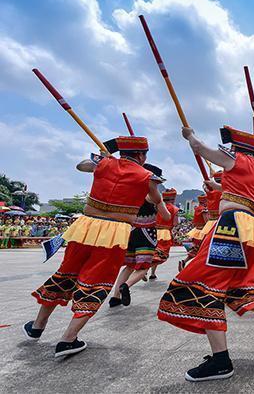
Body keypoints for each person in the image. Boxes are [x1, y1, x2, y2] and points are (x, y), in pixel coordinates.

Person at [157, 125, 254, 382]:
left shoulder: (236, 159)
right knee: (234, 284)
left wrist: (190, 135)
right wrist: (217, 186)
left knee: (200, 284)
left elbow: (200, 149)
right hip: (247, 227)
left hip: (231, 226)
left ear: (236, 148)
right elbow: (241, 192)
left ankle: (221, 360)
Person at [25, 136, 168, 357]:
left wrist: (103, 158)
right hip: (115, 232)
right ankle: (68, 339)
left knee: (66, 274)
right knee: (97, 282)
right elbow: (157, 200)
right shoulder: (147, 176)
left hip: (85, 227)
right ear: (141, 155)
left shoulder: (104, 163)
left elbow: (81, 165)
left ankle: (38, 325)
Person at [109, 163, 167, 306]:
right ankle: (126, 286)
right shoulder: (153, 195)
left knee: (129, 266)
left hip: (131, 231)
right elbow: (166, 216)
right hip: (146, 233)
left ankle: (115, 297)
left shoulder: (130, 192)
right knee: (143, 267)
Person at [149, 188, 181, 280]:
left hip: (154, 231)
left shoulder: (158, 206)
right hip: (165, 233)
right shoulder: (174, 209)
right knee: (162, 255)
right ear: (173, 198)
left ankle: (152, 273)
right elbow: (175, 223)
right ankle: (143, 269)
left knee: (155, 253)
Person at [179, 195, 209, 270]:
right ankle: (195, 268)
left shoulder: (197, 208)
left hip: (196, 231)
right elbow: (206, 221)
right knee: (202, 251)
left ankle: (184, 262)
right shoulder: (204, 209)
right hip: (202, 232)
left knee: (195, 250)